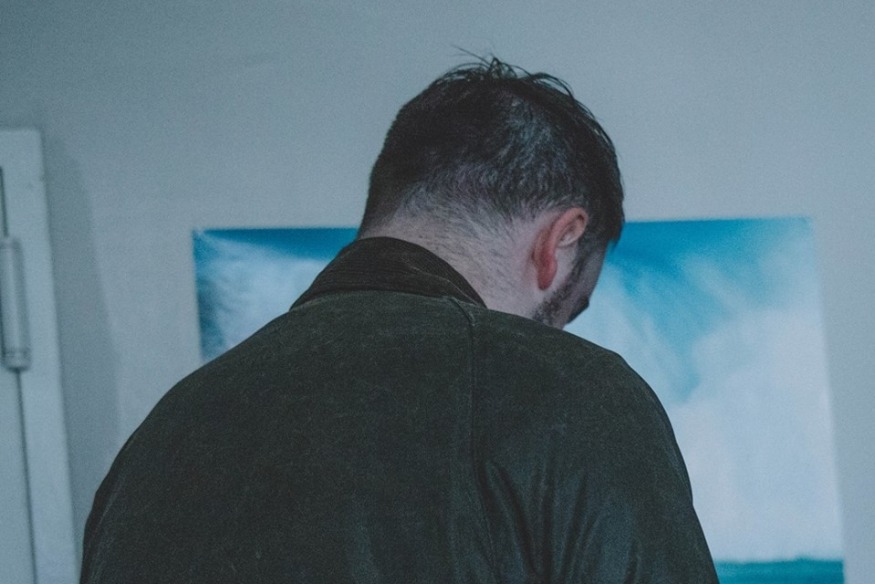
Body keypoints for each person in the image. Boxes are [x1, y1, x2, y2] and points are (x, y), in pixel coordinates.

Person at [81, 58, 717, 583]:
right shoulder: (573, 393)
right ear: (560, 241)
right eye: (567, 313)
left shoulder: (160, 437)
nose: (554, 336)